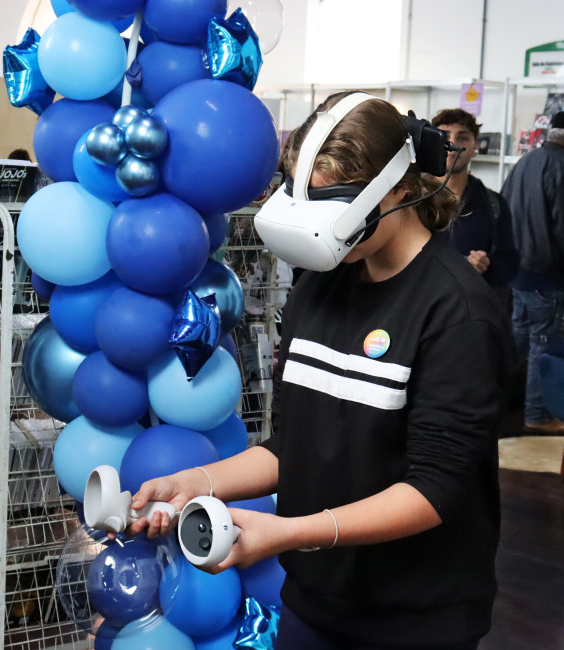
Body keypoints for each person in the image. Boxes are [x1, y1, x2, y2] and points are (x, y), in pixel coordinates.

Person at [130, 92, 515, 649]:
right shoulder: (319, 288)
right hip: (313, 603)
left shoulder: (458, 313)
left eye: (334, 199)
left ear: (400, 189)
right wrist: (200, 481)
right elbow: (298, 444)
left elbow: (435, 490)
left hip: (415, 618)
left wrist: (290, 533)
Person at [500, 110, 564, 434]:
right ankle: (537, 414)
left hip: (518, 271)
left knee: (517, 343)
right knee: (543, 345)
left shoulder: (525, 162)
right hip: (547, 274)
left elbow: (503, 207)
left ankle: (488, 405)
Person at [430, 108, 518, 303]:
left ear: (475, 147)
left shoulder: (493, 204)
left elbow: (510, 264)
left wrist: (488, 264)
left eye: (462, 137)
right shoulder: (410, 199)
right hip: (418, 307)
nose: (452, 144)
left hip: (470, 311)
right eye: (444, 136)